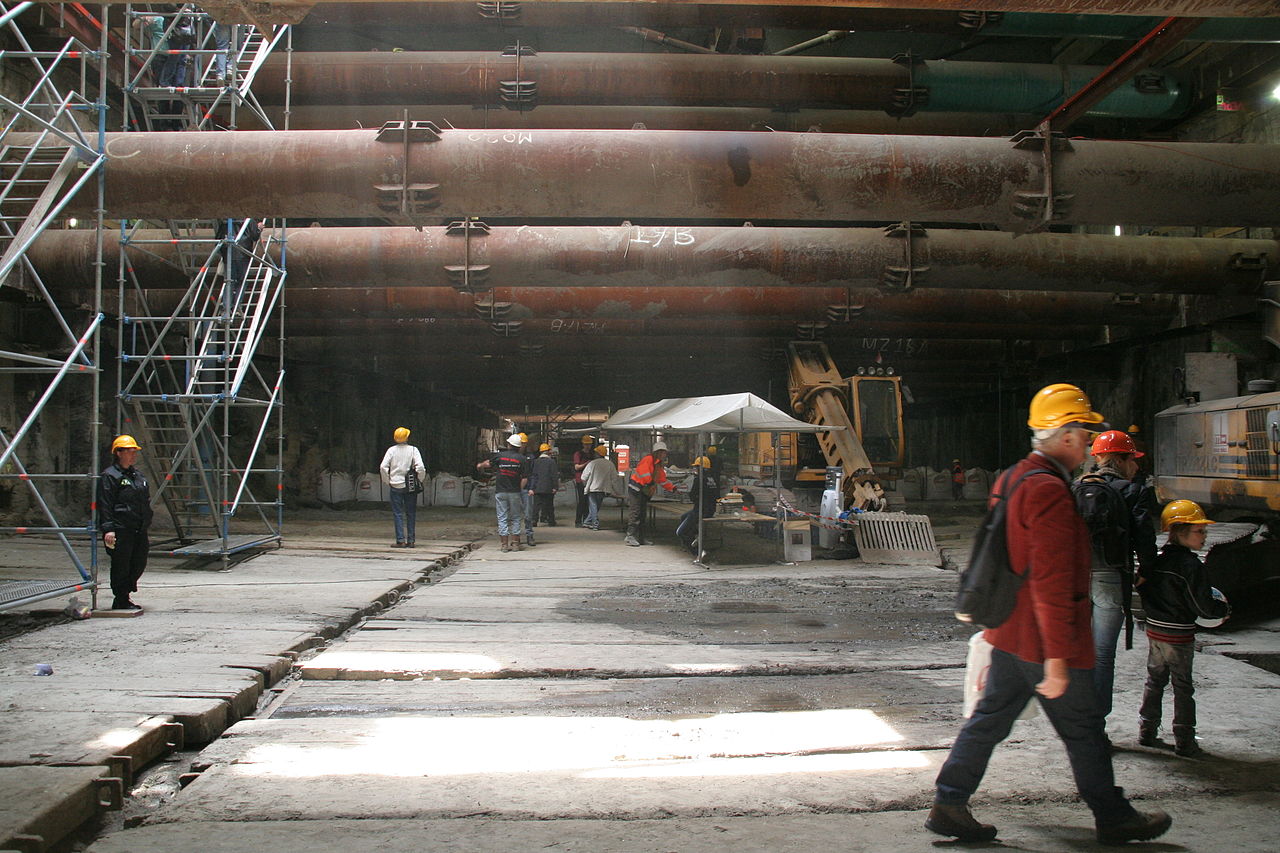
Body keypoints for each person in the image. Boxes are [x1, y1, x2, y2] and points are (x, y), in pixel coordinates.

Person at [927, 383, 1171, 846]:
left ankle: (950, 800)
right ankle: (1114, 816)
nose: (1086, 443)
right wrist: (1058, 659)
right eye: (1082, 432)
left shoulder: (1014, 477)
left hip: (1011, 635)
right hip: (1046, 643)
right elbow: (1052, 582)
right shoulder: (1051, 493)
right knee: (1084, 731)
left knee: (989, 720)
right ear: (1064, 434)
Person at [1073, 429, 1159, 725]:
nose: (1136, 465)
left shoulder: (1076, 487)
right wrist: (1146, 570)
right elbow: (1144, 536)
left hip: (1076, 580)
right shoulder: (1132, 490)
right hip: (1111, 577)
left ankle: (1078, 722)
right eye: (1133, 459)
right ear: (1122, 459)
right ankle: (1096, 725)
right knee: (1102, 655)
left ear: (1097, 458)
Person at [1137, 499, 1230, 758]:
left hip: (1155, 632)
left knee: (1154, 681)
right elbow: (1204, 607)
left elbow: (1143, 589)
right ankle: (1184, 739)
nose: (1204, 536)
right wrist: (1223, 610)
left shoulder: (1157, 562)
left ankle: (1147, 730)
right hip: (1178, 635)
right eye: (1199, 531)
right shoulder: (1191, 567)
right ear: (1179, 532)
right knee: (1182, 686)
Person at [97, 434, 154, 611]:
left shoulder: (138, 476)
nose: (133, 455)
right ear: (119, 453)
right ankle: (121, 598)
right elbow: (105, 503)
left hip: (138, 528)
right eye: (129, 451)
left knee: (139, 562)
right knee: (121, 564)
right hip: (121, 529)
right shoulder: (110, 476)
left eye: (134, 451)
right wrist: (108, 529)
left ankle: (126, 591)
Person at [476, 434, 530, 552]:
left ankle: (504, 545)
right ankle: (515, 544)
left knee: (502, 518)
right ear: (519, 447)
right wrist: (519, 489)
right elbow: (525, 478)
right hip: (514, 492)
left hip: (501, 491)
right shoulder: (522, 459)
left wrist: (480, 465)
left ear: (509, 444)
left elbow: (488, 463)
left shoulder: (500, 456)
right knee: (515, 517)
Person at [379, 427, 425, 549]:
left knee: (398, 513)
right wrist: (419, 479)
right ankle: (411, 540)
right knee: (411, 513)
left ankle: (400, 540)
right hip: (409, 486)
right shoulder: (413, 450)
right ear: (407, 437)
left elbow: (383, 467)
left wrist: (387, 480)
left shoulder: (391, 451)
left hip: (395, 485)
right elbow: (420, 468)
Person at [625, 440, 675, 547]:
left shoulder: (658, 465)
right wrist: (651, 482)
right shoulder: (648, 460)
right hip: (636, 489)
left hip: (643, 491)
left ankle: (640, 538)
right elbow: (645, 475)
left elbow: (662, 480)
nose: (665, 455)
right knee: (636, 512)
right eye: (664, 452)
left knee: (642, 515)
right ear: (658, 452)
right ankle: (630, 536)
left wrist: (673, 488)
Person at [676, 453, 720, 555]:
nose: (695, 469)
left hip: (700, 510)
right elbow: (716, 495)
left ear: (700, 467)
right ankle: (695, 535)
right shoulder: (713, 479)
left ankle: (698, 552)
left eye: (696, 467)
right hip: (710, 510)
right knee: (684, 517)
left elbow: (692, 496)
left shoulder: (698, 479)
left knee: (680, 532)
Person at [581, 444, 614, 530]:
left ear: (598, 454)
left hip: (592, 489)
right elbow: (614, 477)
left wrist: (585, 484)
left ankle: (595, 524)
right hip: (603, 489)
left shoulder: (592, 463)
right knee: (595, 507)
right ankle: (587, 522)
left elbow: (583, 477)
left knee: (593, 506)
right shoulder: (610, 464)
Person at [528, 442, 561, 527]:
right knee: (549, 505)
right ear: (548, 451)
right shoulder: (551, 462)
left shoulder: (536, 462)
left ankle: (534, 521)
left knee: (536, 505)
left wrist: (532, 488)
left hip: (537, 488)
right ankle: (551, 521)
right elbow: (554, 475)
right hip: (548, 488)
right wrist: (555, 487)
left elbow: (534, 475)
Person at [572, 435, 595, 527]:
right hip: (580, 480)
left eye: (589, 444)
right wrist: (587, 464)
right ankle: (578, 521)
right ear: (583, 444)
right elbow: (576, 467)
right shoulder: (578, 454)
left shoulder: (592, 454)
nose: (587, 446)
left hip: (590, 480)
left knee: (588, 501)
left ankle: (586, 520)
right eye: (586, 444)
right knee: (582, 501)